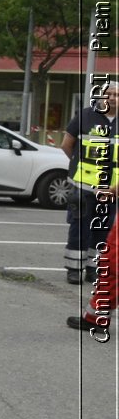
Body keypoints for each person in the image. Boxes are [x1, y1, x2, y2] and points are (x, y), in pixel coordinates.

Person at [61, 82, 116, 285]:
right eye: (108, 94)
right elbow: (67, 145)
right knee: (80, 228)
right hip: (83, 187)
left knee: (104, 230)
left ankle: (94, 269)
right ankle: (74, 269)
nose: (112, 98)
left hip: (111, 190)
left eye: (117, 95)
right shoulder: (85, 116)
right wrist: (79, 170)